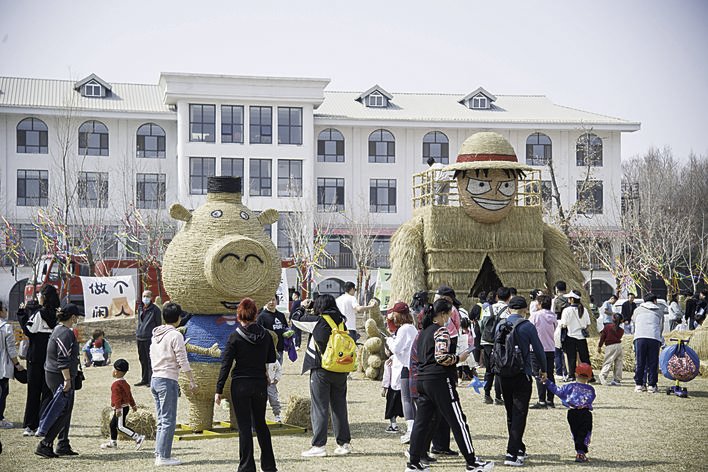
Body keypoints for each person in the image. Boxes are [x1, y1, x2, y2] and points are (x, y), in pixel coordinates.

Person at [406, 299, 493, 472]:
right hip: (439, 380)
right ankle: (471, 461)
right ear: (444, 314)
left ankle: (413, 463)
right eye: (450, 314)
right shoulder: (441, 331)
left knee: (421, 423)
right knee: (457, 420)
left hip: (422, 380)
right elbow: (441, 357)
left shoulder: (422, 332)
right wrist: (458, 359)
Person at [215, 298, 277, 472]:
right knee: (261, 424)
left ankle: (246, 466)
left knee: (244, 427)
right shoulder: (266, 335)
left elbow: (226, 364)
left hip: (240, 384)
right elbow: (271, 359)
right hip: (259, 384)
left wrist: (218, 389)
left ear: (239, 315)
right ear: (256, 314)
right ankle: (269, 465)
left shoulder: (235, 336)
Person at [291, 295, 352, 458]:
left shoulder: (319, 320)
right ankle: (344, 443)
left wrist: (302, 306)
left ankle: (319, 445)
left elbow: (295, 319)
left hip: (321, 368)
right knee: (339, 406)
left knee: (320, 407)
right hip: (340, 369)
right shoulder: (341, 321)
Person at [495, 296, 547, 467]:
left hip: (503, 374)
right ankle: (511, 453)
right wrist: (544, 370)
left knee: (511, 412)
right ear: (525, 310)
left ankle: (519, 448)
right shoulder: (527, 326)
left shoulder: (500, 325)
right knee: (520, 414)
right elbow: (539, 350)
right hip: (522, 374)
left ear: (509, 309)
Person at [150, 302, 197, 466]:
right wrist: (191, 379)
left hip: (155, 379)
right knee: (168, 420)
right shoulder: (176, 335)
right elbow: (182, 360)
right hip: (167, 380)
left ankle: (159, 453)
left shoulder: (156, 334)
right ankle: (163, 456)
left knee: (162, 419)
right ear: (178, 318)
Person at [36, 303, 83, 458]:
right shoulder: (65, 333)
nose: (78, 319)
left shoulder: (58, 329)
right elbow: (63, 358)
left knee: (65, 409)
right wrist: (67, 379)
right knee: (63, 411)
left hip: (53, 373)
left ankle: (63, 443)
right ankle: (46, 443)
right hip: (59, 375)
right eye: (77, 316)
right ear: (73, 317)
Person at [18, 284, 58, 436]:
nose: (38, 298)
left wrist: (21, 314)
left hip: (36, 355)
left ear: (45, 297)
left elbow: (29, 330)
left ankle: (29, 425)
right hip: (51, 355)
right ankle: (44, 424)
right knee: (48, 391)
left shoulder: (39, 313)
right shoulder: (57, 314)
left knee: (33, 391)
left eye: (40, 295)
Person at [430, 285, 463, 456]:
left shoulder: (447, 314)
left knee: (432, 411)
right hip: (443, 369)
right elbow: (445, 353)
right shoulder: (441, 326)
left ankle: (433, 446)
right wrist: (457, 359)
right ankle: (440, 445)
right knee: (445, 410)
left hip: (433, 370)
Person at [544, 363, 596, 463]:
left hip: (572, 413)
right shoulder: (591, 390)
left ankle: (579, 450)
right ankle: (581, 452)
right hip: (585, 413)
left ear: (576, 374)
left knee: (575, 432)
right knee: (584, 433)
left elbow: (557, 390)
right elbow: (591, 398)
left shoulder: (569, 387)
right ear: (589, 377)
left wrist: (547, 382)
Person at [385, 301, 418, 443]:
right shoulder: (412, 328)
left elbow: (397, 348)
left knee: (406, 399)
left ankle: (411, 429)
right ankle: (414, 429)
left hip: (406, 366)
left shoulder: (404, 329)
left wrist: (389, 341)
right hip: (413, 366)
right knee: (412, 400)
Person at [100, 359, 145, 450]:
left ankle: (137, 437)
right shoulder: (125, 383)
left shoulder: (116, 385)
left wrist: (118, 409)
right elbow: (129, 395)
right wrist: (133, 405)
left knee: (121, 427)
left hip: (120, 408)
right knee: (113, 424)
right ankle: (113, 442)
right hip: (125, 407)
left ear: (116, 372)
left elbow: (117, 399)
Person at [480, 286, 511, 405]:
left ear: (497, 297)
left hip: (487, 342)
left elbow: (482, 324)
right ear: (509, 297)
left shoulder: (488, 308)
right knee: (499, 370)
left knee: (489, 369)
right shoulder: (508, 311)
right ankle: (498, 396)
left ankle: (487, 395)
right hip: (500, 343)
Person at [528, 295, 557, 409]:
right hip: (550, 348)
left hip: (537, 349)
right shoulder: (553, 316)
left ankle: (541, 400)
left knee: (539, 374)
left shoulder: (535, 315)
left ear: (539, 304)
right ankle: (550, 400)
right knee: (549, 374)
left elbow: (530, 329)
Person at [632, 293, 664, 393]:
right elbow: (661, 326)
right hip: (654, 337)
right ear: (654, 301)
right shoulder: (659, 310)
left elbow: (634, 323)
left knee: (640, 361)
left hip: (640, 337)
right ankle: (652, 385)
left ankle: (639, 384)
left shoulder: (637, 310)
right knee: (653, 362)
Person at [0, 302, 25, 428]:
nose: (6, 311)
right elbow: (10, 348)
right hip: (2, 365)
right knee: (3, 392)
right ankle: (0, 418)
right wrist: (17, 364)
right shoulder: (6, 327)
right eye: (5, 309)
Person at [560, 290, 591, 382]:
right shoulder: (584, 309)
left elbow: (564, 324)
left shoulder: (567, 310)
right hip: (581, 336)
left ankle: (571, 375)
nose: (568, 300)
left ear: (572, 299)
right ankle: (589, 375)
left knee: (571, 357)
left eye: (569, 298)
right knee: (585, 357)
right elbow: (588, 324)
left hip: (571, 335)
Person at [136, 290, 162, 387]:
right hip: (140, 337)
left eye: (147, 296)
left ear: (151, 297)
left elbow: (158, 324)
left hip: (149, 338)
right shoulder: (140, 308)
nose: (145, 298)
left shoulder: (155, 310)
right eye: (144, 296)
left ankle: (151, 380)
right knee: (142, 359)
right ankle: (144, 378)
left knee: (150, 359)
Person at [597, 314, 624, 385]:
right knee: (619, 362)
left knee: (608, 361)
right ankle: (617, 379)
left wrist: (599, 346)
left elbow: (603, 337)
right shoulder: (621, 330)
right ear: (621, 321)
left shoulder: (607, 327)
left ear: (613, 319)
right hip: (619, 346)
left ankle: (603, 375)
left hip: (610, 346)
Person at [552, 281, 569, 382]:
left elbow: (553, 313)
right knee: (567, 351)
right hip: (569, 327)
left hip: (558, 325)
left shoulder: (556, 300)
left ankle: (559, 372)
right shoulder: (570, 299)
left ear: (557, 289)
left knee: (557, 351)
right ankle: (567, 372)